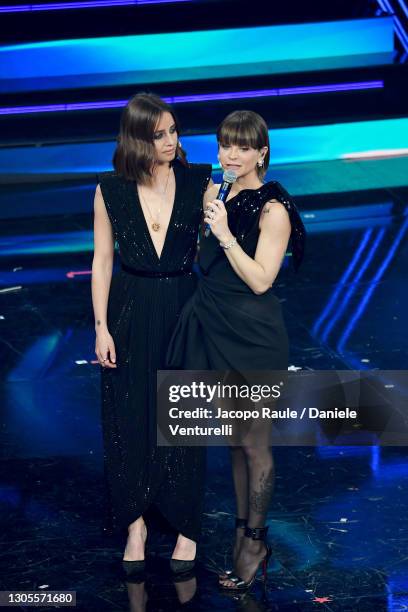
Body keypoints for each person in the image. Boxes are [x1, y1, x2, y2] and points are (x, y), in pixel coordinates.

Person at [166, 110, 305, 591]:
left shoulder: (274, 209)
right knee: (232, 441)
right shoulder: (216, 192)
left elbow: (262, 280)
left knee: (254, 443)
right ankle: (242, 531)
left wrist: (223, 234)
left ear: (261, 152)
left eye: (243, 147)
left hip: (253, 333)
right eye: (226, 144)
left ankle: (256, 540)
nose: (231, 154)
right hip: (213, 324)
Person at [91, 92, 212, 575]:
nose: (170, 141)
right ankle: (135, 522)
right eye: (158, 134)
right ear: (137, 138)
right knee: (131, 410)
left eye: (173, 131)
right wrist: (101, 327)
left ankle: (186, 525)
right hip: (131, 306)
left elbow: (224, 238)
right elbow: (101, 261)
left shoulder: (198, 180)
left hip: (186, 305)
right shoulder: (109, 189)